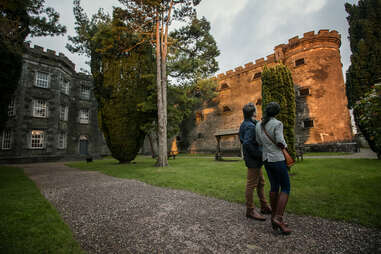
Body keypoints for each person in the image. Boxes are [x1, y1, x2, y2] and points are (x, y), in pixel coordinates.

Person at [255, 102, 292, 234]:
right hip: (277, 158)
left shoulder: (258, 125)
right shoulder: (278, 124)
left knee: (274, 187)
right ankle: (278, 217)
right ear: (276, 112)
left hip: (266, 159)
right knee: (286, 187)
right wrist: (285, 146)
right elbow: (280, 141)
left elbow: (258, 142)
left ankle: (273, 218)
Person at [239, 102, 272, 221]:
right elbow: (247, 143)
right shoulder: (250, 126)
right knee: (251, 184)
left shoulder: (246, 124)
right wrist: (259, 154)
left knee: (261, 182)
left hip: (254, 159)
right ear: (253, 113)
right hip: (253, 160)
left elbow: (243, 140)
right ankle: (250, 210)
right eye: (256, 110)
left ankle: (264, 206)